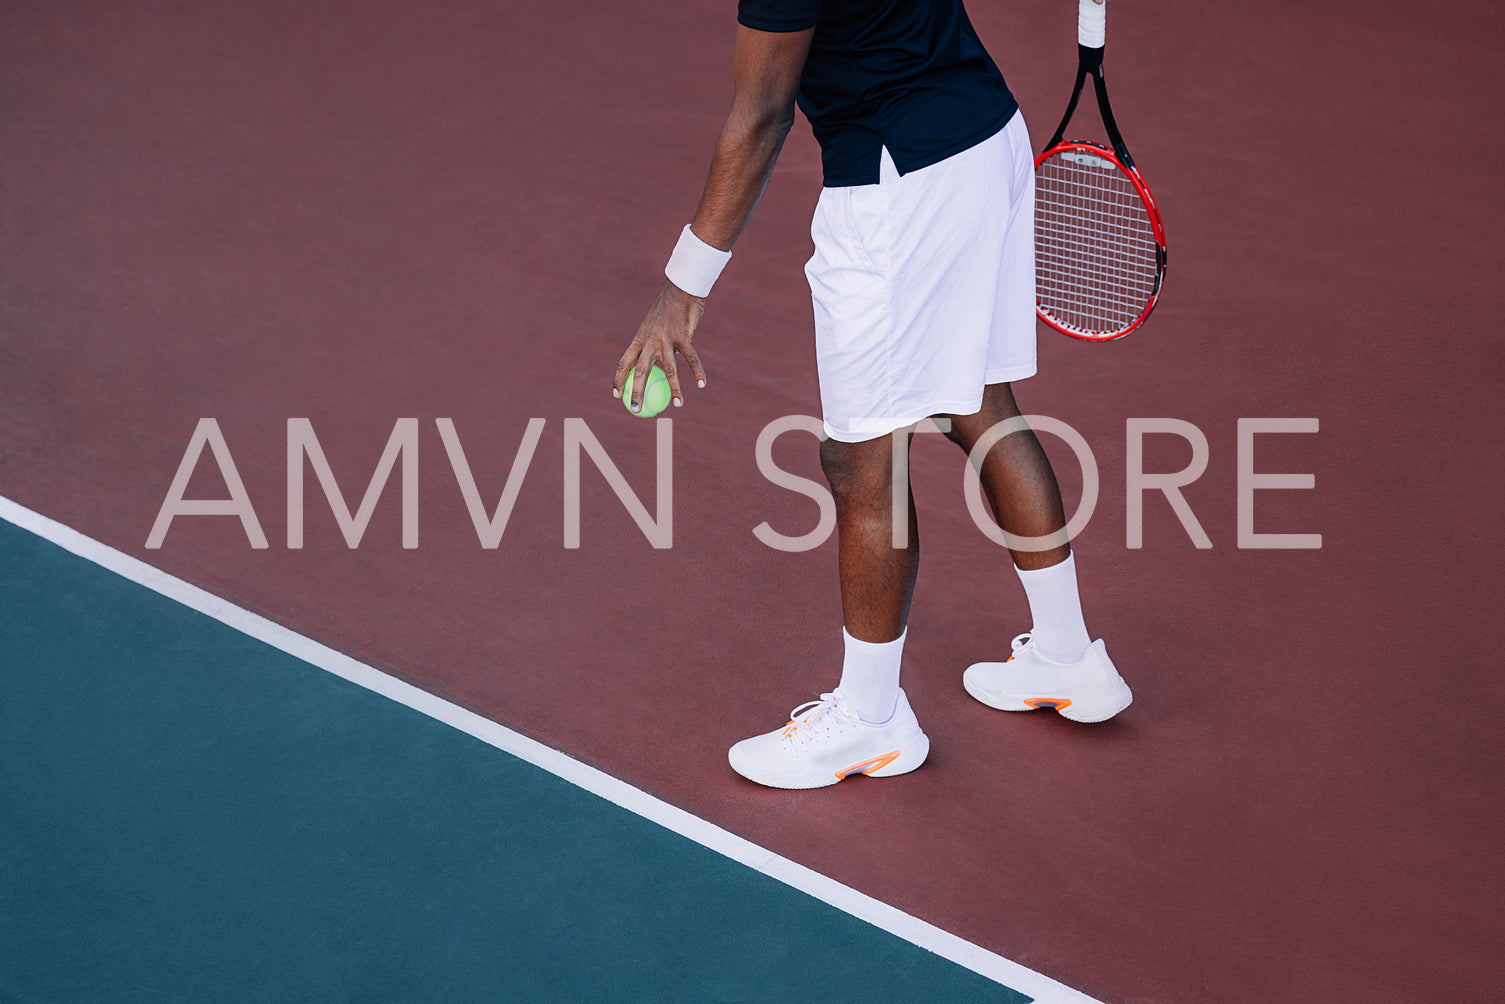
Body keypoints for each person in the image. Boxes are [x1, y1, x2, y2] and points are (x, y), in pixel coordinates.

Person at [614, 0, 1132, 790]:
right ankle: (1067, 658)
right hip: (983, 139)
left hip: (900, 184)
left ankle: (871, 719)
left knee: (860, 460)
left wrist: (679, 293)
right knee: (979, 404)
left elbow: (761, 114)